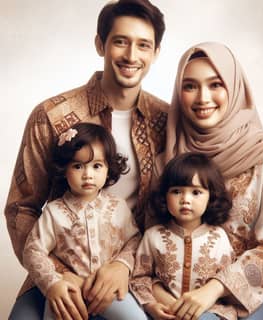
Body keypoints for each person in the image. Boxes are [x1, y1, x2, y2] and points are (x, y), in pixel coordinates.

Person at [5, 0, 168, 319]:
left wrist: (124, 265)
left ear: (155, 53)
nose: (131, 56)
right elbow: (21, 209)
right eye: (120, 41)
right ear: (100, 44)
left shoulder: (167, 121)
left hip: (133, 273)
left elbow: (168, 212)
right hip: (57, 273)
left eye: (143, 45)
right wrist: (57, 275)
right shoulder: (50, 115)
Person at [152, 42, 263, 320]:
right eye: (190, 86)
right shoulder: (169, 158)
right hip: (183, 294)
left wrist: (214, 290)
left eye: (215, 85)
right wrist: (161, 299)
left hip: (260, 295)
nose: (203, 97)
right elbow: (152, 240)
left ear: (235, 88)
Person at [22, 122, 147, 320]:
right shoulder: (55, 212)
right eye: (78, 166)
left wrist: (122, 263)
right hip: (68, 291)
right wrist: (52, 284)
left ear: (108, 168)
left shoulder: (117, 206)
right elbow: (33, 251)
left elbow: (135, 240)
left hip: (108, 292)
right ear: (65, 169)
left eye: (96, 166)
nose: (88, 174)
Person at [131, 152, 236, 320]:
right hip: (164, 313)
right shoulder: (153, 236)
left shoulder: (219, 237)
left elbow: (226, 282)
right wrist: (151, 305)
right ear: (165, 195)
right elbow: (140, 278)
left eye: (196, 192)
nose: (186, 199)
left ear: (211, 197)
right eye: (177, 191)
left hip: (208, 313)